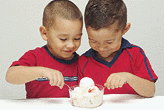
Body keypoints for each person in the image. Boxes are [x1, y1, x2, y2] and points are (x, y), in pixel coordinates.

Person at [78, 0, 158, 97]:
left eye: (109, 42)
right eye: (93, 41)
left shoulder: (135, 54)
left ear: (125, 29)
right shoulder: (83, 62)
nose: (102, 48)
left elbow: (150, 91)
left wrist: (128, 77)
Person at [6, 0, 83, 98]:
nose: (71, 45)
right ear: (45, 33)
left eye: (77, 38)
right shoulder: (35, 57)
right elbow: (10, 76)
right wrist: (42, 71)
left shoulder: (81, 62)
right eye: (63, 39)